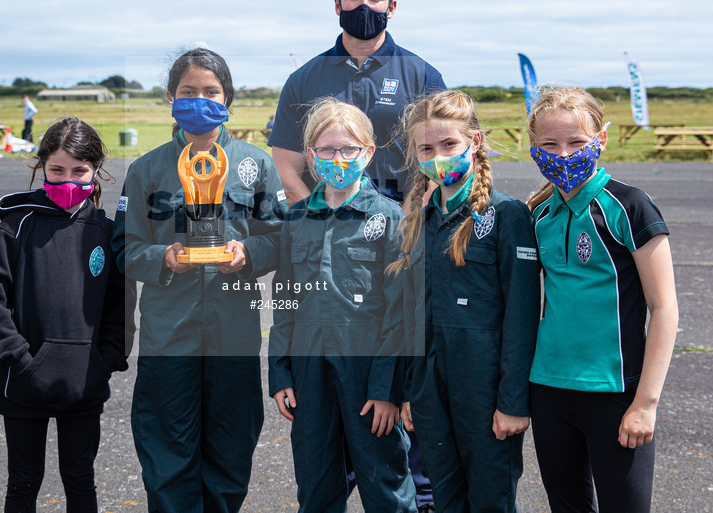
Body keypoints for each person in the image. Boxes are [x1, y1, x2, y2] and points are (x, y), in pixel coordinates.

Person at [112, 48, 286, 512]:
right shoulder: (146, 169)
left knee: (231, 448)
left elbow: (280, 238)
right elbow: (123, 250)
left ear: (228, 97)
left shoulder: (257, 164)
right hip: (170, 334)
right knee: (167, 451)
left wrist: (248, 254)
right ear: (170, 97)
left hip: (235, 332)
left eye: (210, 92)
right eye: (188, 92)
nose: (199, 100)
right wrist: (163, 258)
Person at [525, 88, 678, 513]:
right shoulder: (538, 215)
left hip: (616, 392)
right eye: (550, 145)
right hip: (550, 390)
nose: (563, 154)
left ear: (601, 140)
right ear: (534, 148)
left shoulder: (630, 206)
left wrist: (646, 404)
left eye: (576, 143)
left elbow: (664, 308)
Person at [389, 91, 540, 512]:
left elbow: (522, 315)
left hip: (486, 391)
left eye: (449, 145)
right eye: (427, 148)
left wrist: (513, 401)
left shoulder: (507, 216)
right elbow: (414, 313)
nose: (439, 156)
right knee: (445, 498)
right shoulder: (420, 219)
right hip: (430, 393)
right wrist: (410, 392)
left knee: (490, 499)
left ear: (474, 142)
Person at [0, 118, 132, 512]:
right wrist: (22, 362)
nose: (67, 179)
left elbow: (120, 308)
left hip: (84, 383)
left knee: (81, 479)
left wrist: (105, 361)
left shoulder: (107, 231)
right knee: (23, 482)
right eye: (57, 170)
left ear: (96, 171)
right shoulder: (14, 228)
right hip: (24, 384)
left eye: (79, 171)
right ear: (41, 166)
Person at [269, 99, 415, 512]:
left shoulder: (390, 219)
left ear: (368, 152)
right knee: (315, 487)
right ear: (311, 156)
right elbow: (284, 299)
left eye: (349, 149)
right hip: (309, 371)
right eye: (327, 150)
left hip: (368, 374)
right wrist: (280, 371)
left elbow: (400, 310)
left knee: (385, 485)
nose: (338, 158)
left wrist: (388, 390)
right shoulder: (295, 220)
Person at [268, 0, 446, 206]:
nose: (364, 6)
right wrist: (316, 221)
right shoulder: (302, 80)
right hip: (324, 230)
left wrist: (408, 223)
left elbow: (439, 162)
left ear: (391, 8)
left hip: (401, 222)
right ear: (338, 5)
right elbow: (286, 168)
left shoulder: (423, 76)